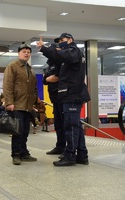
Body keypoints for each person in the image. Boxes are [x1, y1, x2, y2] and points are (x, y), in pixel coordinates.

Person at [37, 33, 90, 166]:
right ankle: (82, 155)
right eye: (59, 40)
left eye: (63, 40)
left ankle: (70, 156)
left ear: (71, 40)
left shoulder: (74, 51)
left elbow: (60, 55)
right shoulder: (72, 54)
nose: (60, 42)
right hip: (71, 94)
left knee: (70, 126)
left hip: (72, 94)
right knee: (75, 125)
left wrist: (44, 48)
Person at [3, 43, 38, 165]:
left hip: (27, 106)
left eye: (28, 51)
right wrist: (9, 102)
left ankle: (23, 152)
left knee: (25, 131)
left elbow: (34, 88)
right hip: (16, 105)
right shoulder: (12, 66)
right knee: (17, 131)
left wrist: (33, 103)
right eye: (24, 51)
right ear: (19, 54)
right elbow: (7, 86)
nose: (27, 53)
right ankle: (16, 154)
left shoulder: (30, 69)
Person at [41, 43, 66, 155]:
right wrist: (48, 79)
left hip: (63, 98)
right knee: (58, 124)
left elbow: (59, 77)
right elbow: (44, 80)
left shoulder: (60, 62)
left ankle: (67, 149)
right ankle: (60, 146)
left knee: (65, 124)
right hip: (54, 99)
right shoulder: (49, 65)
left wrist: (50, 79)